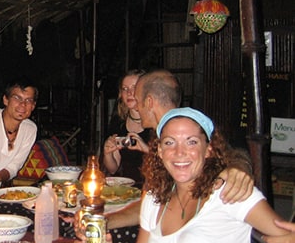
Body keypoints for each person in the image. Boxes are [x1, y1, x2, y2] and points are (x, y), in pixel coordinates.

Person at [74, 107, 288, 243]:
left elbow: (284, 235)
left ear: (209, 150)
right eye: (169, 142)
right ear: (159, 151)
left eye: (191, 142)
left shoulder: (230, 193)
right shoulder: (155, 199)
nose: (179, 152)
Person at [98, 69, 254, 230]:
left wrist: (240, 167)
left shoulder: (186, 129)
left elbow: (232, 150)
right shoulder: (161, 135)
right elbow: (153, 203)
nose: (136, 105)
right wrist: (104, 222)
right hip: (161, 222)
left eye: (138, 99)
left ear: (149, 102)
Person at [101, 69, 153, 186]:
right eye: (125, 89)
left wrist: (146, 149)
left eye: (134, 87)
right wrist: (108, 153)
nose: (129, 93)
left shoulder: (156, 123)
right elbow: (113, 169)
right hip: (125, 188)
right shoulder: (118, 122)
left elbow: (168, 163)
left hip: (152, 187)